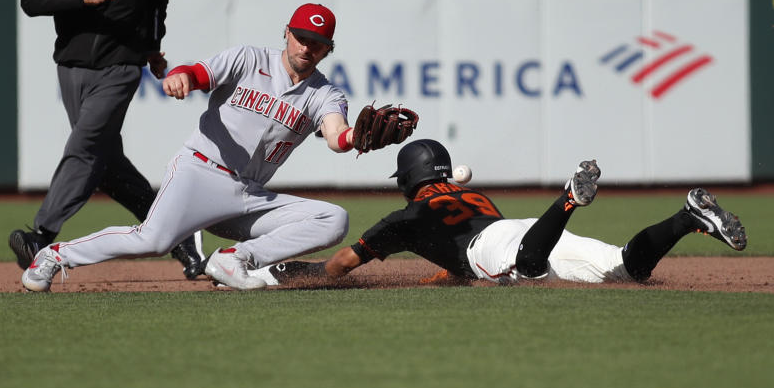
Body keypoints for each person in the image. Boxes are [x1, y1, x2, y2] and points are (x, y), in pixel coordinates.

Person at [21, 3, 374, 293]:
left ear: (328, 49)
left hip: (249, 195)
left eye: (317, 42)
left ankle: (234, 258)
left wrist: (354, 138)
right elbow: (200, 73)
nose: (306, 48)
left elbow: (336, 135)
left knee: (333, 219)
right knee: (152, 241)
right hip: (200, 172)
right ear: (286, 32)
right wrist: (184, 78)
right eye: (301, 37)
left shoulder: (325, 93)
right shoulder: (249, 59)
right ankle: (54, 256)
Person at [10, 0, 203, 280]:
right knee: (105, 163)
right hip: (73, 67)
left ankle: (41, 236)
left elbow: (157, 10)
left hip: (121, 66)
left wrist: (152, 50)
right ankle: (181, 238)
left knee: (86, 144)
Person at [249, 139, 748, 288]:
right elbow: (452, 264)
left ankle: (569, 199)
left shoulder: (405, 218)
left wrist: (307, 274)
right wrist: (436, 282)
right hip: (518, 226)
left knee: (526, 271)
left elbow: (340, 266)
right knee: (626, 268)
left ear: (405, 180)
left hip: (497, 245)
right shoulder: (474, 196)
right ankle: (687, 217)